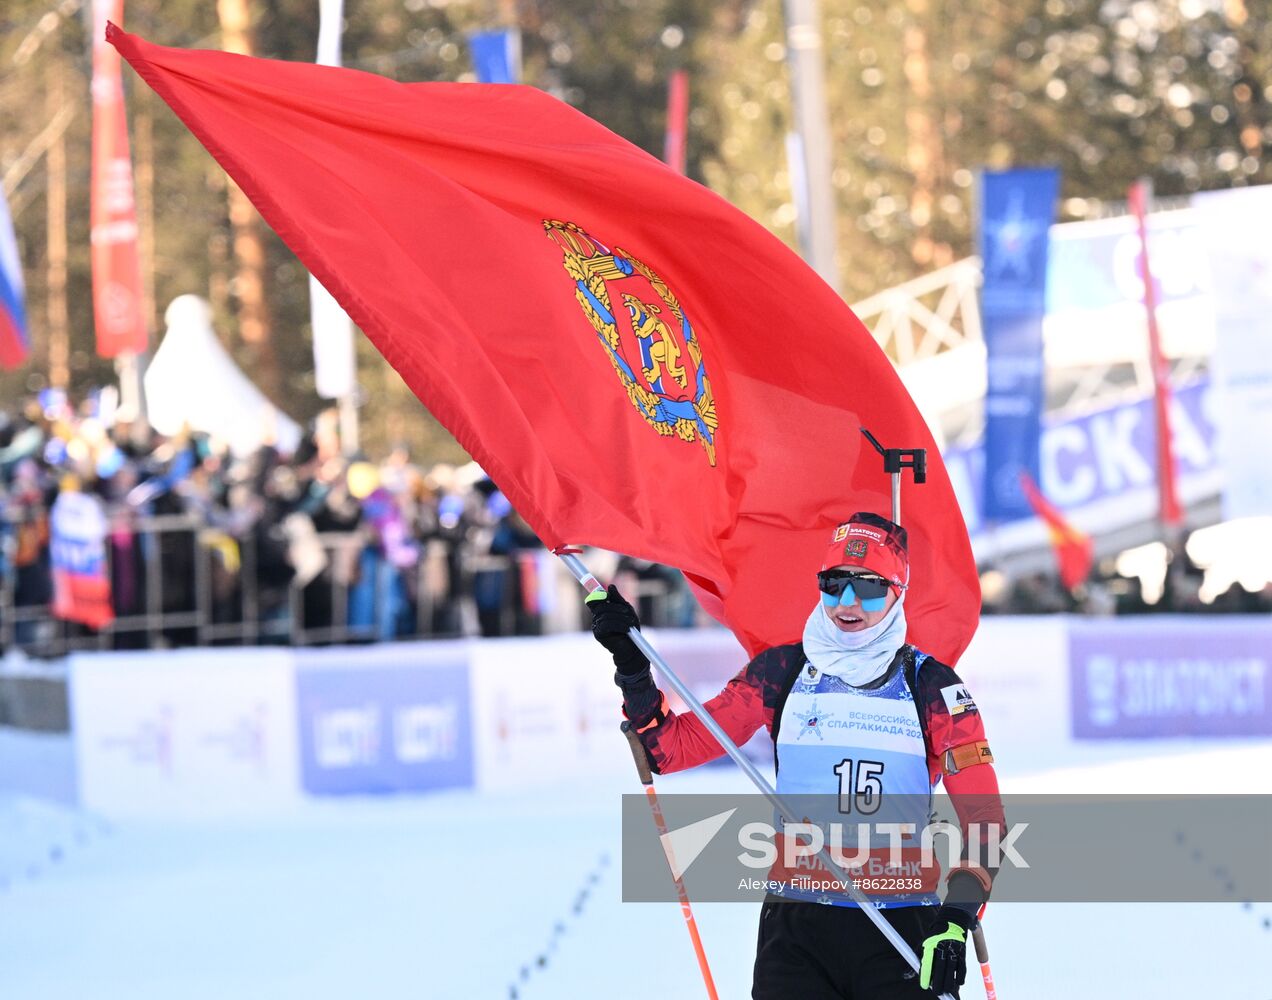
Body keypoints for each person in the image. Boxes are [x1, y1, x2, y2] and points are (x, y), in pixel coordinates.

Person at [587, 512, 1004, 999]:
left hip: (902, 925)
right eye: (834, 585)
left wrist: (956, 916)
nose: (847, 604)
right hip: (797, 931)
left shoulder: (931, 686)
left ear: (897, 592)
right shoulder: (780, 672)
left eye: (868, 588)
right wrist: (633, 664)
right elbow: (671, 749)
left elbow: (986, 821)